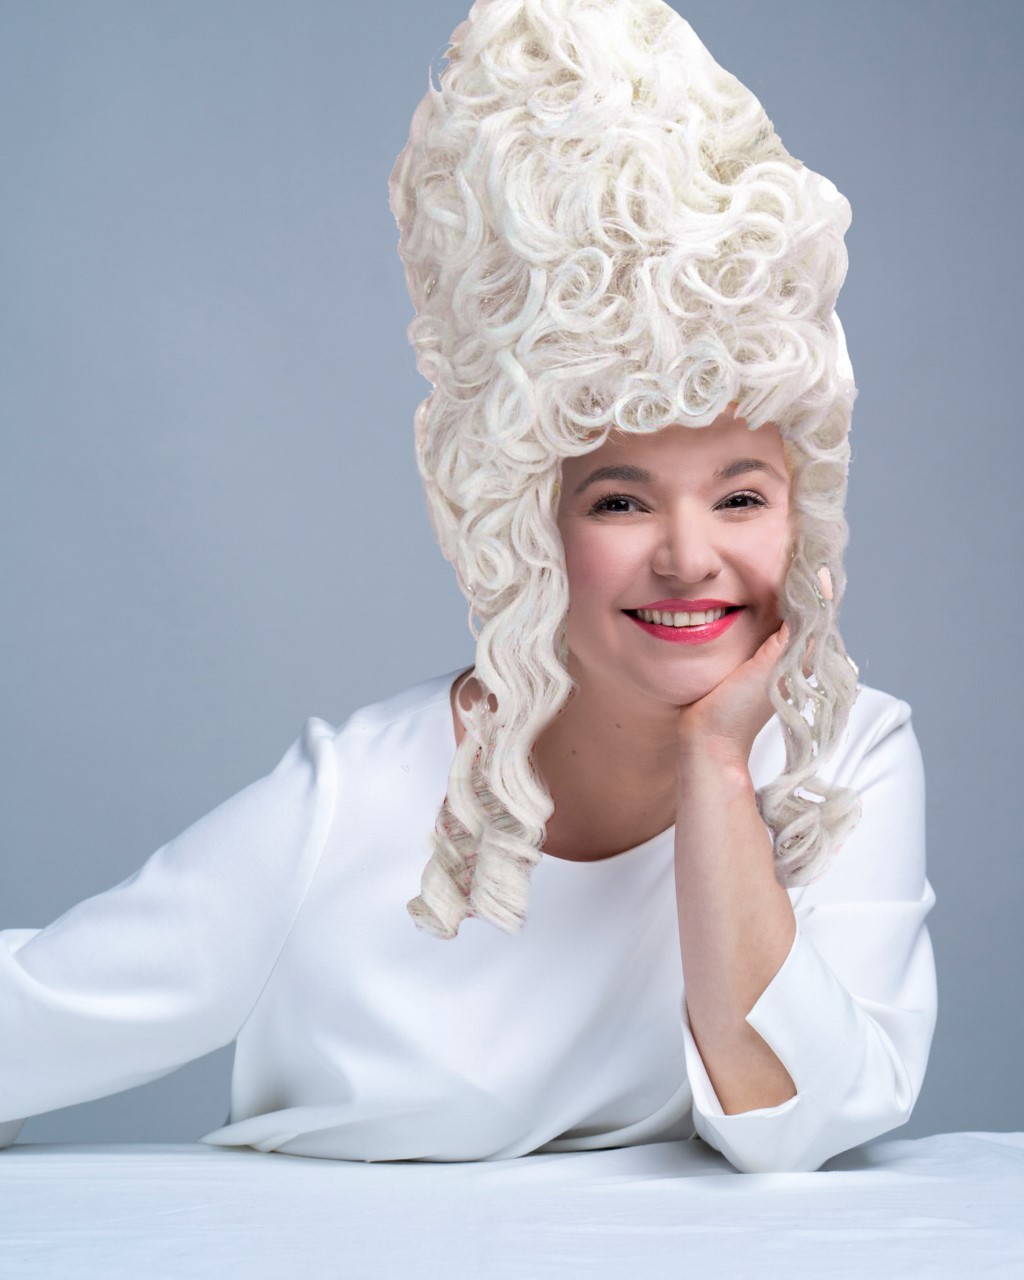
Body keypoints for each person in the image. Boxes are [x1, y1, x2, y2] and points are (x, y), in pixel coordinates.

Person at [0, 0, 936, 1175]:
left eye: (740, 496)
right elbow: (28, 1022)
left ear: (801, 514)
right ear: (530, 527)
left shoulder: (844, 761)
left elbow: (793, 1119)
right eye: (621, 500)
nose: (690, 556)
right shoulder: (352, 802)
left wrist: (714, 763)